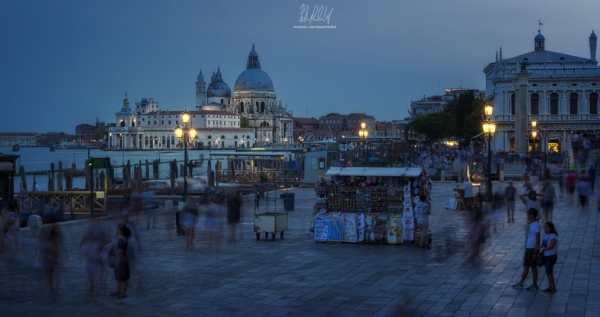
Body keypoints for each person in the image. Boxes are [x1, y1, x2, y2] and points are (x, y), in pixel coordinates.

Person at [512, 208, 541, 291]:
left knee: (533, 266)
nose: (528, 215)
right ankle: (521, 283)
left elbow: (538, 239)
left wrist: (535, 253)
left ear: (533, 215)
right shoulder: (531, 224)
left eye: (529, 214)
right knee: (526, 266)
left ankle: (534, 285)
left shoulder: (536, 225)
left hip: (532, 248)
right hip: (529, 248)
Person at [80, 217, 107, 292]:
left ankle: (100, 279)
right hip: (92, 250)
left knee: (100, 265)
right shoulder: (89, 227)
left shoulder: (101, 226)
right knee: (93, 267)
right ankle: (95, 282)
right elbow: (84, 237)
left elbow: (105, 236)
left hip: (98, 248)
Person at [110, 223, 131, 298]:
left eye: (118, 228)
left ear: (120, 230)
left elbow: (120, 251)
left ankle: (123, 292)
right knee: (118, 276)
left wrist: (117, 260)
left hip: (122, 260)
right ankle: (118, 290)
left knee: (123, 276)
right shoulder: (119, 238)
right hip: (118, 258)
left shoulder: (122, 239)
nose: (117, 230)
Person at [540, 222, 559, 293]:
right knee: (549, 272)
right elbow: (544, 244)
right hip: (545, 255)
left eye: (547, 227)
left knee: (548, 271)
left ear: (551, 228)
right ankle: (550, 286)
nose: (546, 228)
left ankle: (553, 287)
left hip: (551, 256)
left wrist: (542, 249)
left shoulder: (553, 236)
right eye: (545, 227)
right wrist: (540, 247)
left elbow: (551, 246)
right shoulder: (545, 235)